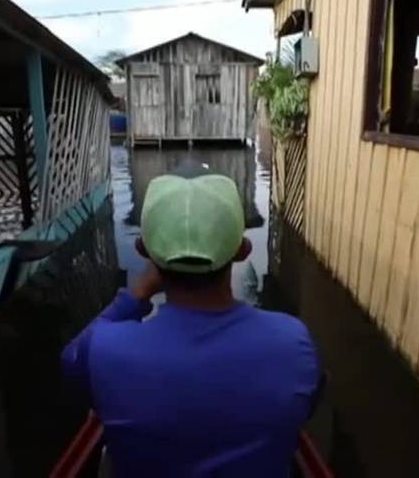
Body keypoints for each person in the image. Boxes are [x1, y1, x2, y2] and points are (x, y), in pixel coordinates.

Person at [61, 171, 320, 478]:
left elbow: (71, 361)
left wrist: (139, 291)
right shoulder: (293, 343)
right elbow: (308, 407)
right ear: (242, 250)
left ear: (143, 250)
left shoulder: (102, 350)